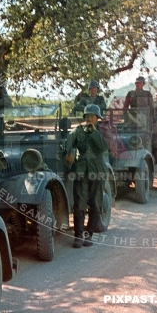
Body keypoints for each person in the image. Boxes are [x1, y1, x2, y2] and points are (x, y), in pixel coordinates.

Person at [65, 104, 108, 248]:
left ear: (97, 118)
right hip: (81, 171)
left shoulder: (103, 130)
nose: (90, 118)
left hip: (97, 171)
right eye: (87, 116)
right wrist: (70, 151)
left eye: (92, 116)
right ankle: (78, 235)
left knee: (96, 203)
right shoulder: (79, 130)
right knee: (80, 203)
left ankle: (89, 234)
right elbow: (69, 140)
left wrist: (94, 132)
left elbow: (103, 147)